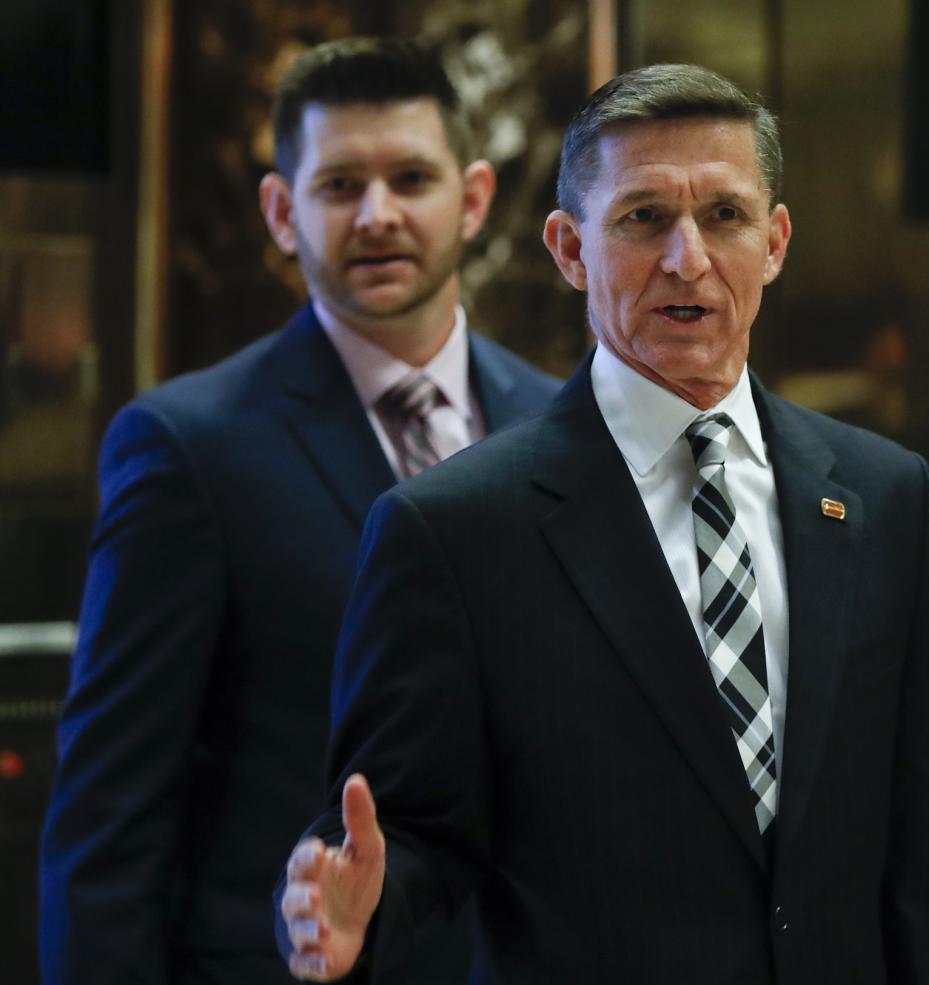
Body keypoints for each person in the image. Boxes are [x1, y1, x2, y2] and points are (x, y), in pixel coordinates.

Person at [278, 63, 929, 984]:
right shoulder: (454, 530)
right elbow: (409, 832)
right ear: (571, 249)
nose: (687, 259)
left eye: (724, 216)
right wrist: (358, 908)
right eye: (643, 217)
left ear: (774, 242)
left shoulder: (889, 497)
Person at [40, 36, 560, 985]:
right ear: (282, 212)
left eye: (411, 177)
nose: (378, 214)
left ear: (475, 199)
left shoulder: (559, 424)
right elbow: (107, 818)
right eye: (338, 186)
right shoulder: (187, 445)